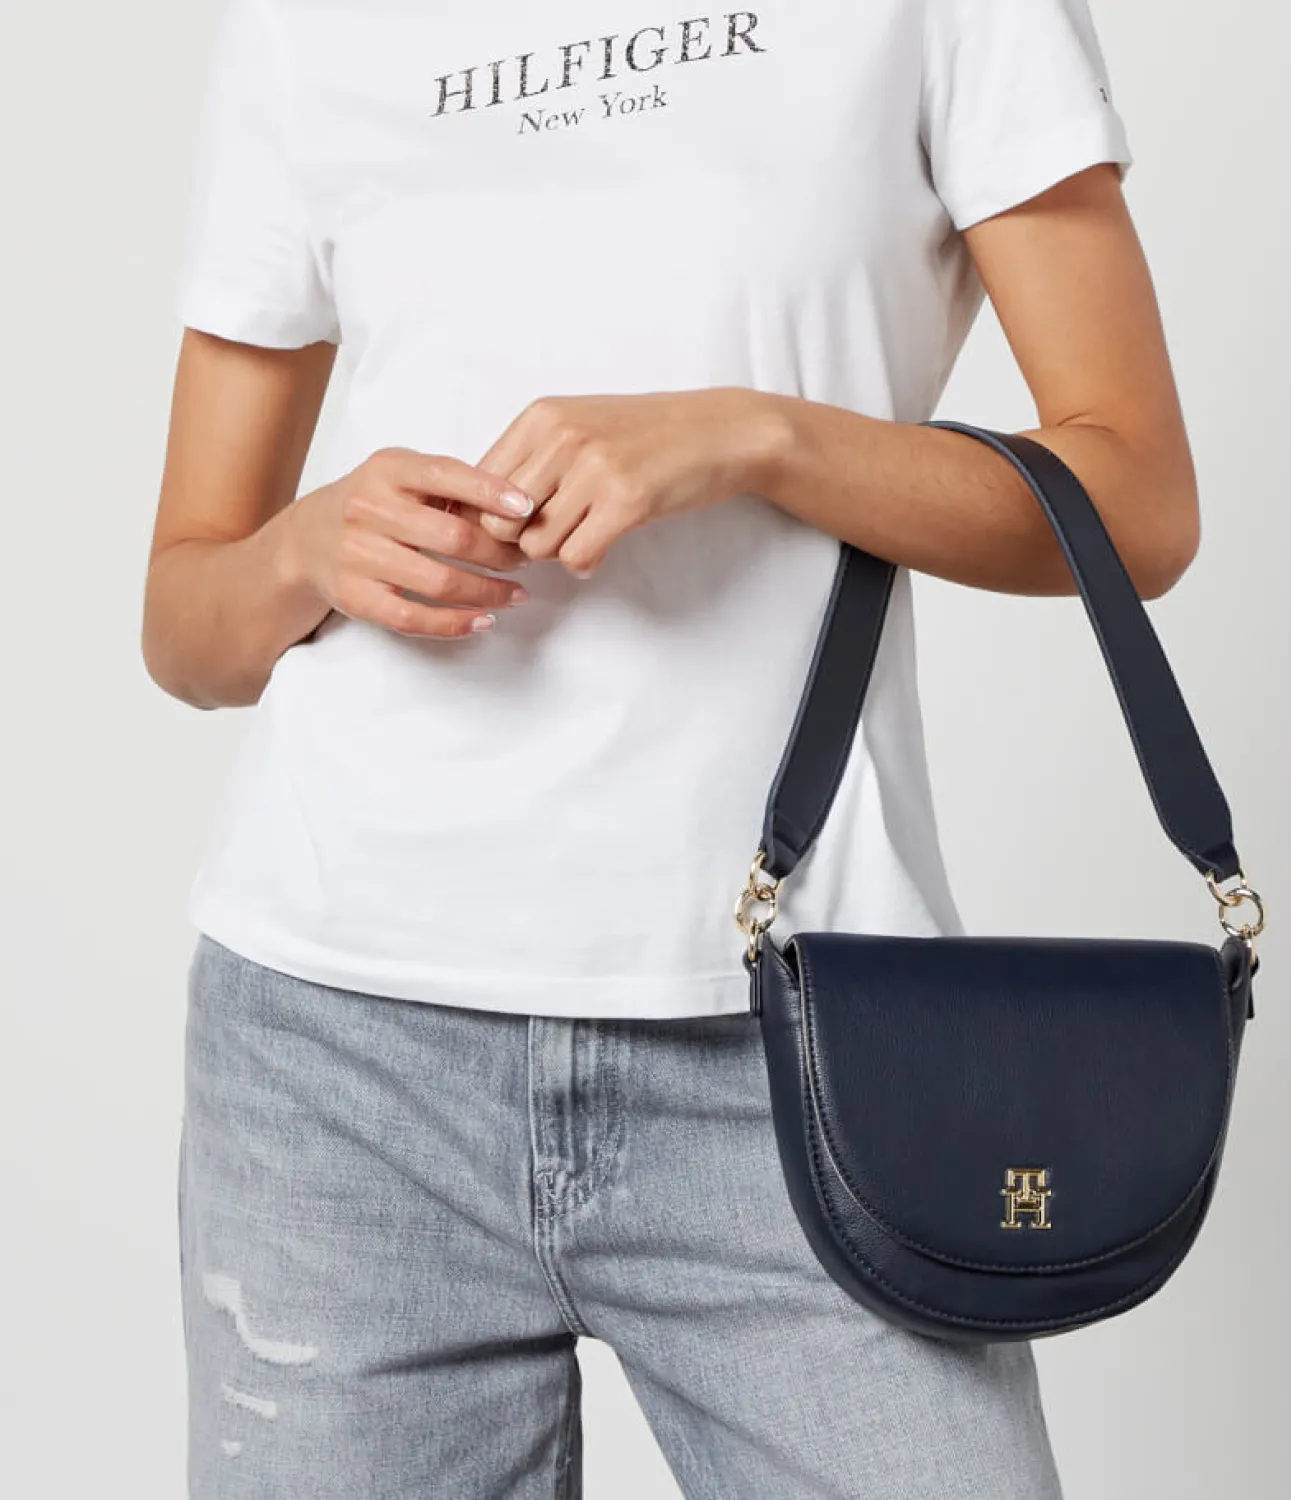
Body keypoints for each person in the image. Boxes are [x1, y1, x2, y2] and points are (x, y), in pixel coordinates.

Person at [144, 0, 1201, 1494]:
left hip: (793, 1044)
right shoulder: (304, 29)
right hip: (336, 1059)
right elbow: (185, 625)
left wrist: (761, 439)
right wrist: (307, 550)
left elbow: (1137, 502)